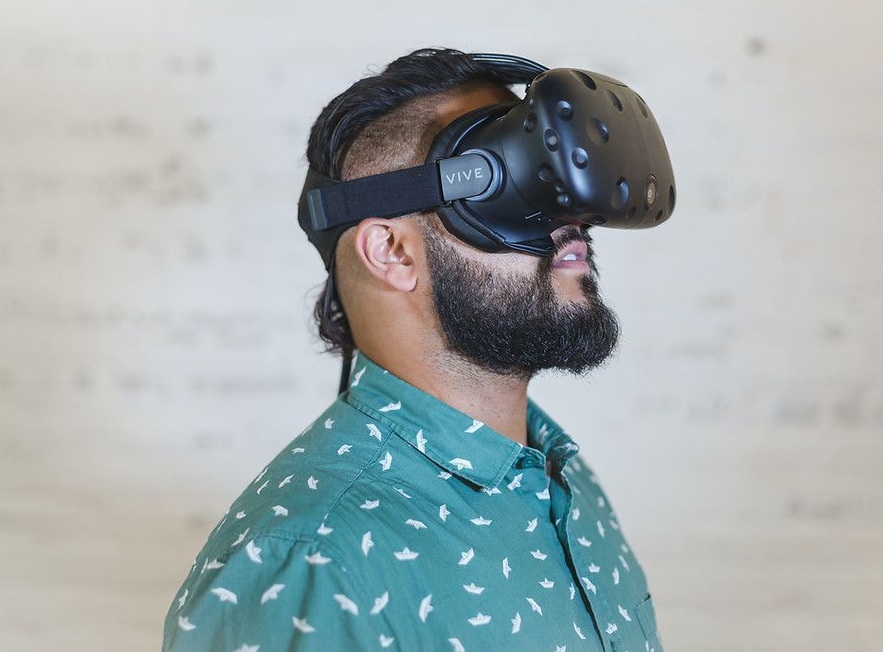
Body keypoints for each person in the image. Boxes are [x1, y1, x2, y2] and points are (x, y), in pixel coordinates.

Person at [161, 47, 663, 652]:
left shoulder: (561, 478)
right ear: (393, 253)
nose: (571, 221)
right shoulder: (312, 565)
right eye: (517, 181)